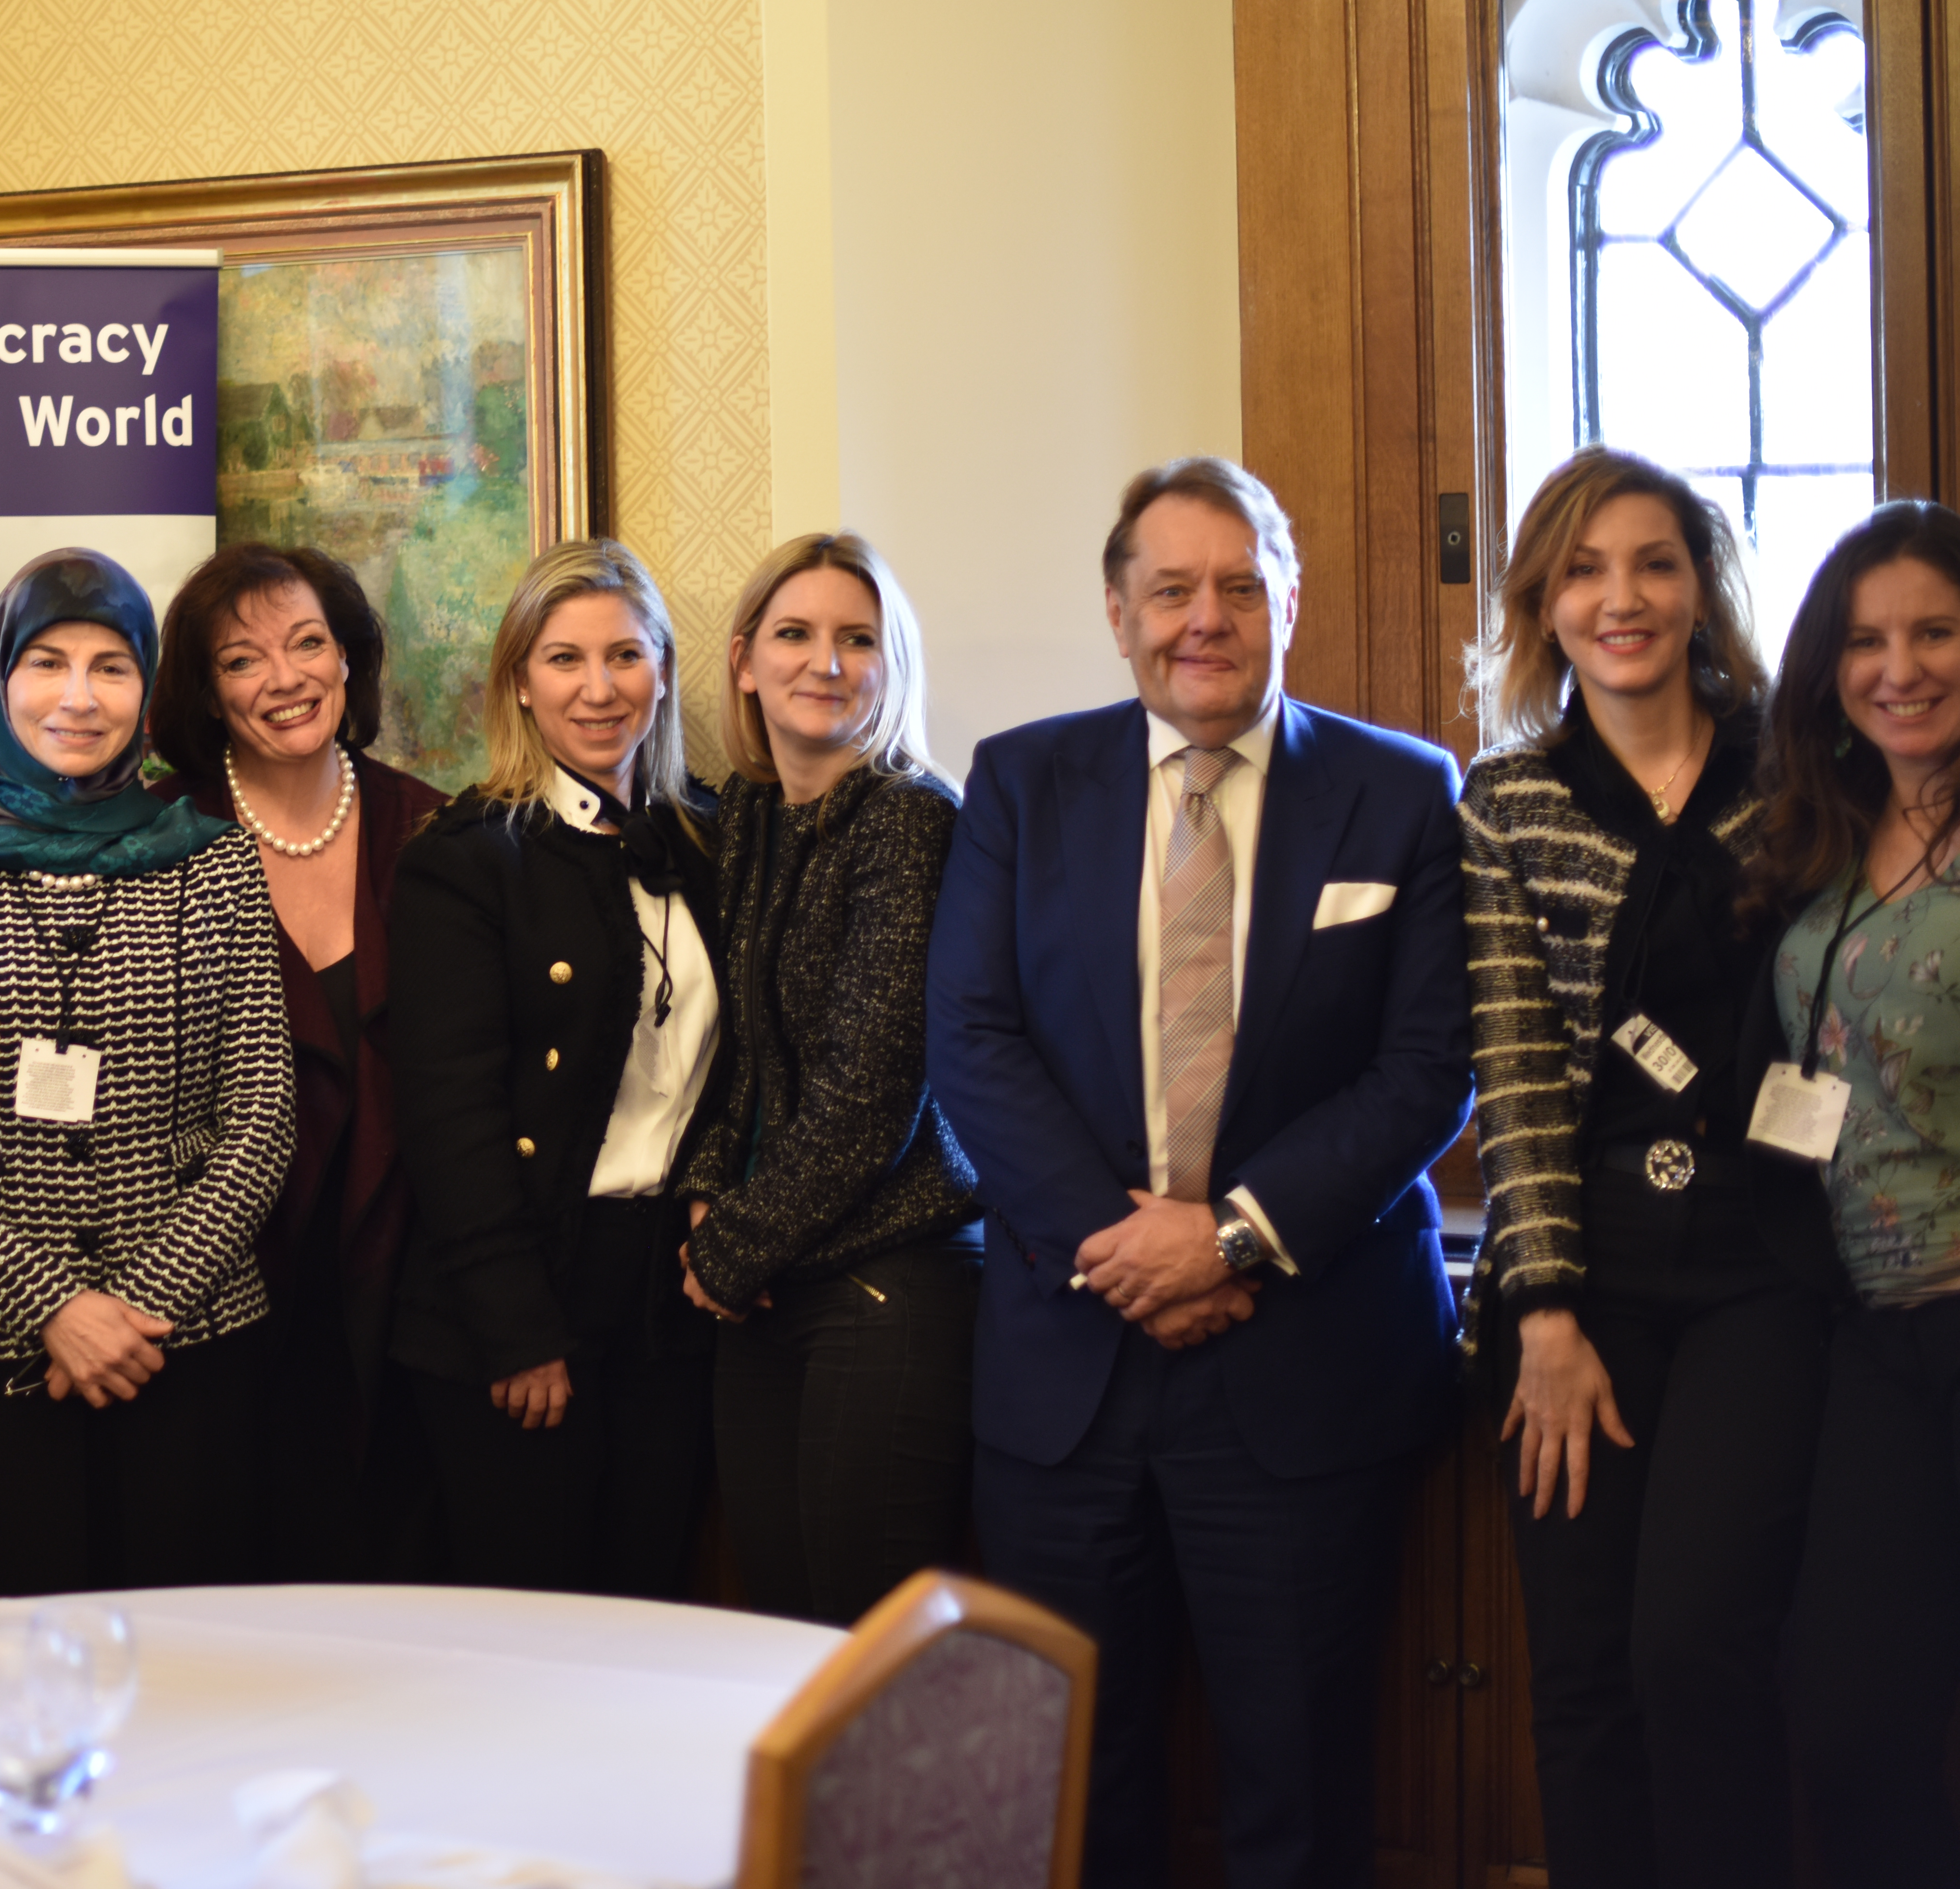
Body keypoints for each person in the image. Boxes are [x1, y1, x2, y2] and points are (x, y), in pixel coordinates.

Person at [925, 456, 1471, 1889]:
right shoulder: (1022, 783)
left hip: (1306, 1368)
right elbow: (972, 1039)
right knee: (1078, 1786)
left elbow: (1426, 1071)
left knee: (1299, 1783)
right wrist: (1126, 1244)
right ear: (1118, 614)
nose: (1205, 620)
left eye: (1239, 586)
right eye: (1171, 590)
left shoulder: (1404, 796)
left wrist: (1228, 1239)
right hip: (1070, 1364)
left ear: (1291, 600)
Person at [1460, 448, 1826, 1889]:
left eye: (1655, 564)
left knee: (1703, 1650)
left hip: (1761, 1277)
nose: (1623, 599)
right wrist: (1543, 1311)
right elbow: (1517, 1071)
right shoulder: (1510, 804)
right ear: (1544, 606)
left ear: (1701, 589)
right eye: (1585, 572)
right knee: (1587, 1672)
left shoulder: (1796, 776)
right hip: (1579, 1288)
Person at [0, 547, 294, 1602]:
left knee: (184, 1677)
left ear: (147, 687)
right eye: (47, 662)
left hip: (182, 1348)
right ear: (1, 680)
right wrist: (52, 1304)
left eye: (111, 666)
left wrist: (134, 1307)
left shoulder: (216, 858)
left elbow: (262, 1118)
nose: (79, 697)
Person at [390, 538, 724, 1599]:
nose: (597, 688)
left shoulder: (708, 839)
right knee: (526, 1633)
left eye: (623, 655)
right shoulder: (467, 856)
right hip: (521, 1296)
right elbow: (451, 1118)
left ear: (663, 669)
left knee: (649, 1608)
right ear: (519, 686)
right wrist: (517, 1329)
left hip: (670, 1299)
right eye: (562, 659)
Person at [673, 531, 980, 1626]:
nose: (826, 661)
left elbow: (871, 1092)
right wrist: (714, 1191)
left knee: (865, 1642)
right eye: (795, 634)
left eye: (858, 639)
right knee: (777, 1630)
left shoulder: (911, 820)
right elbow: (734, 1049)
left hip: (887, 1277)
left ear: (891, 665)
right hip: (765, 1276)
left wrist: (726, 1246)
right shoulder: (746, 817)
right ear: (745, 661)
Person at [148, 540, 447, 1579]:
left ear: (348, 656)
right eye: (241, 659)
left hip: (408, 1307)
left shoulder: (431, 832)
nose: (285, 679)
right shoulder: (159, 836)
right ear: (203, 687)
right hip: (216, 1306)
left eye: (308, 642)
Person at [1749, 500, 1960, 1881]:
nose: (1902, 668)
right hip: (1862, 1336)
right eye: (1869, 641)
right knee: (1848, 1722)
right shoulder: (1819, 842)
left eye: (1936, 632)